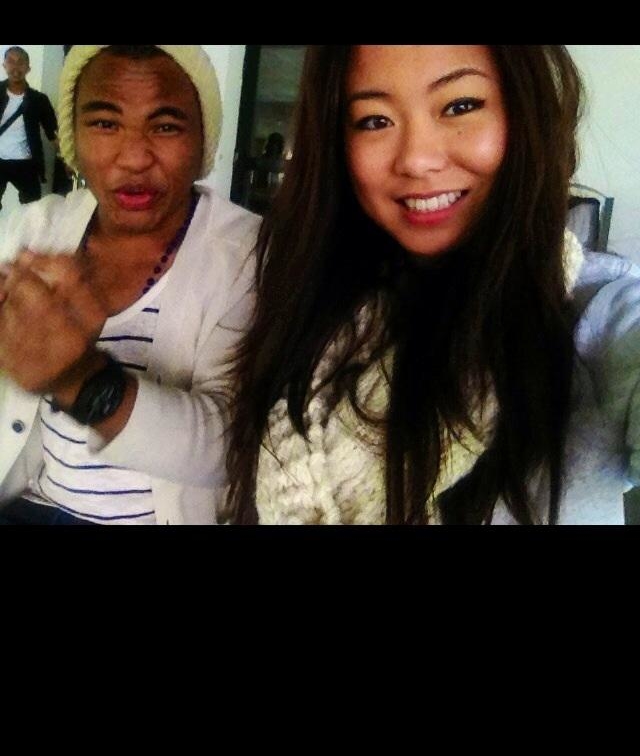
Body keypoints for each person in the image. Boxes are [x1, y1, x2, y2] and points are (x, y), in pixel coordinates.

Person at [224, 45, 640, 525]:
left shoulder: (599, 317)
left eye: (460, 106)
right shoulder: (314, 307)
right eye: (375, 120)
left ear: (525, 111)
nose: (417, 160)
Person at [0, 44, 259, 525]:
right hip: (30, 502)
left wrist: (80, 378)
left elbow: (232, 442)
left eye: (166, 126)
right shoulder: (34, 230)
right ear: (73, 138)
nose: (135, 158)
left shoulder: (248, 255)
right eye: (105, 123)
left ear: (204, 141)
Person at [0, 46, 58, 210]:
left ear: (28, 68)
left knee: (32, 209)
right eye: (11, 61)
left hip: (25, 163)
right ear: (4, 65)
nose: (15, 67)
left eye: (21, 62)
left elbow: (53, 133)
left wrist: (69, 159)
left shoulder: (39, 100)